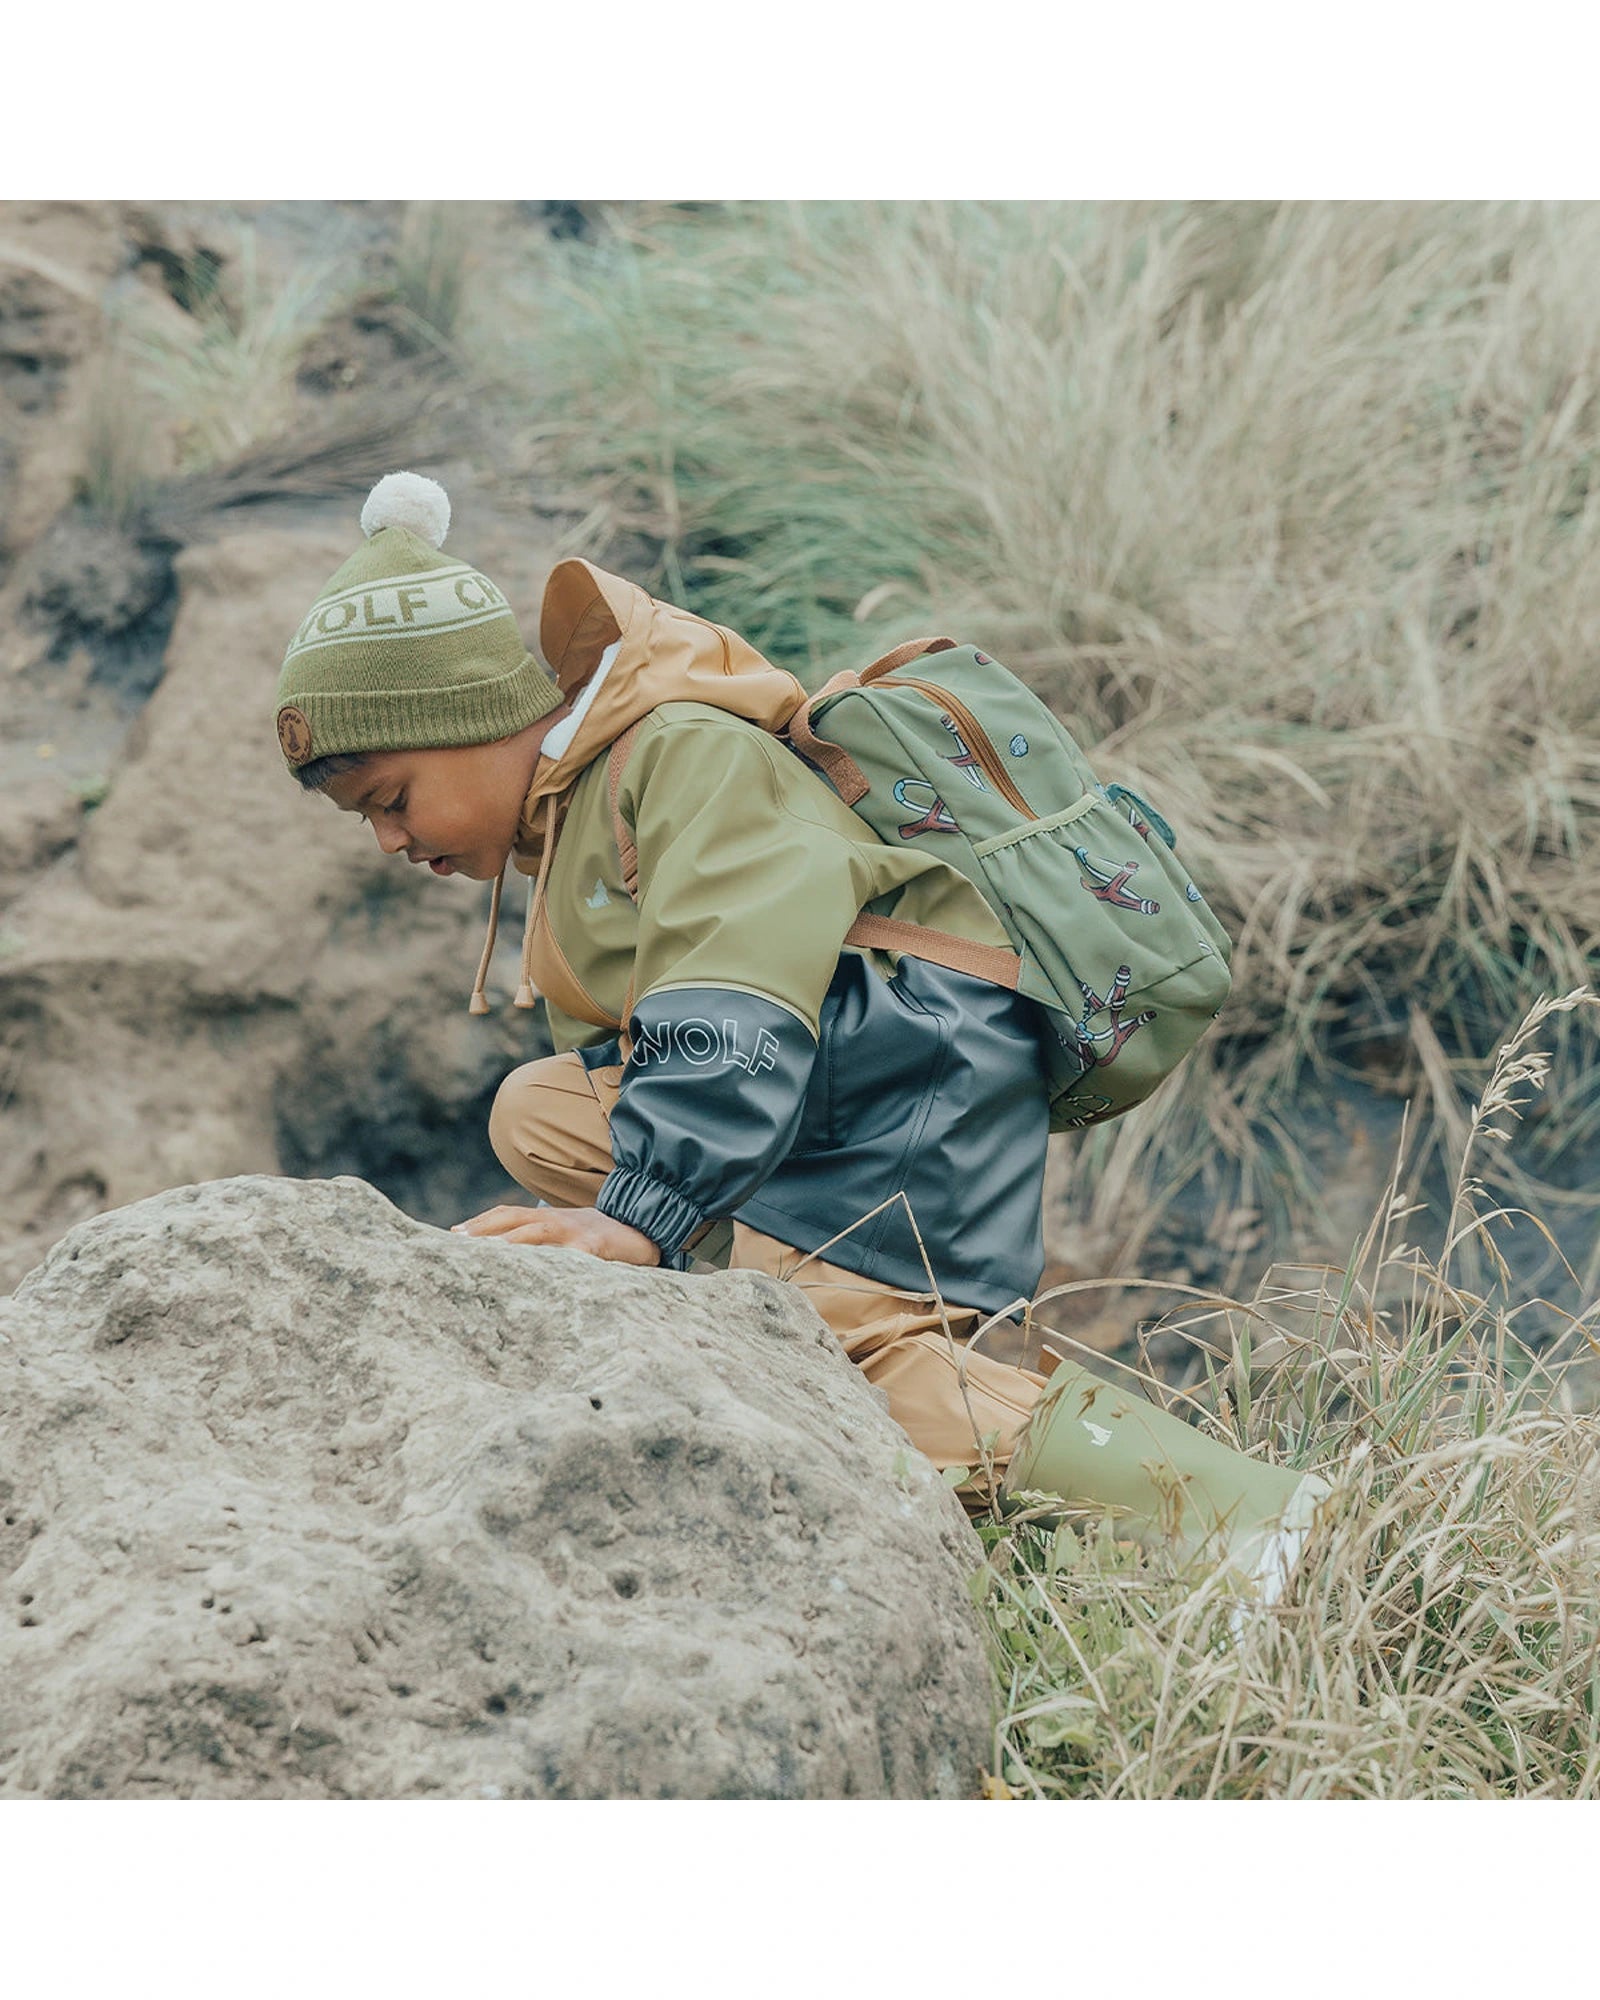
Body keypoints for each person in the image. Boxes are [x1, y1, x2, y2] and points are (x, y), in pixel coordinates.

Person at [276, 474, 1052, 1509]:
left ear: (466, 718)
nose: (388, 840)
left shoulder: (681, 754)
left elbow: (735, 994)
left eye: (391, 798)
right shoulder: (574, 815)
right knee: (541, 1110)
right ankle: (753, 1282)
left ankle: (1239, 1511)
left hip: (916, 1081)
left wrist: (641, 1217)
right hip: (832, 1084)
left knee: (844, 1374)